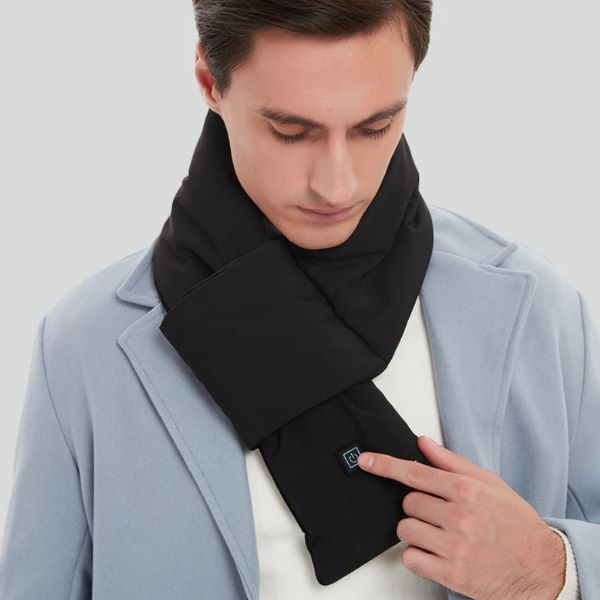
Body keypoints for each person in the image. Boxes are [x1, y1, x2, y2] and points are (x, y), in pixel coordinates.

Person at [0, 2, 597, 599]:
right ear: (210, 82)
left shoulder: (536, 307)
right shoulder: (85, 347)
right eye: (291, 131)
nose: (337, 185)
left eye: (375, 127)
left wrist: (552, 570)